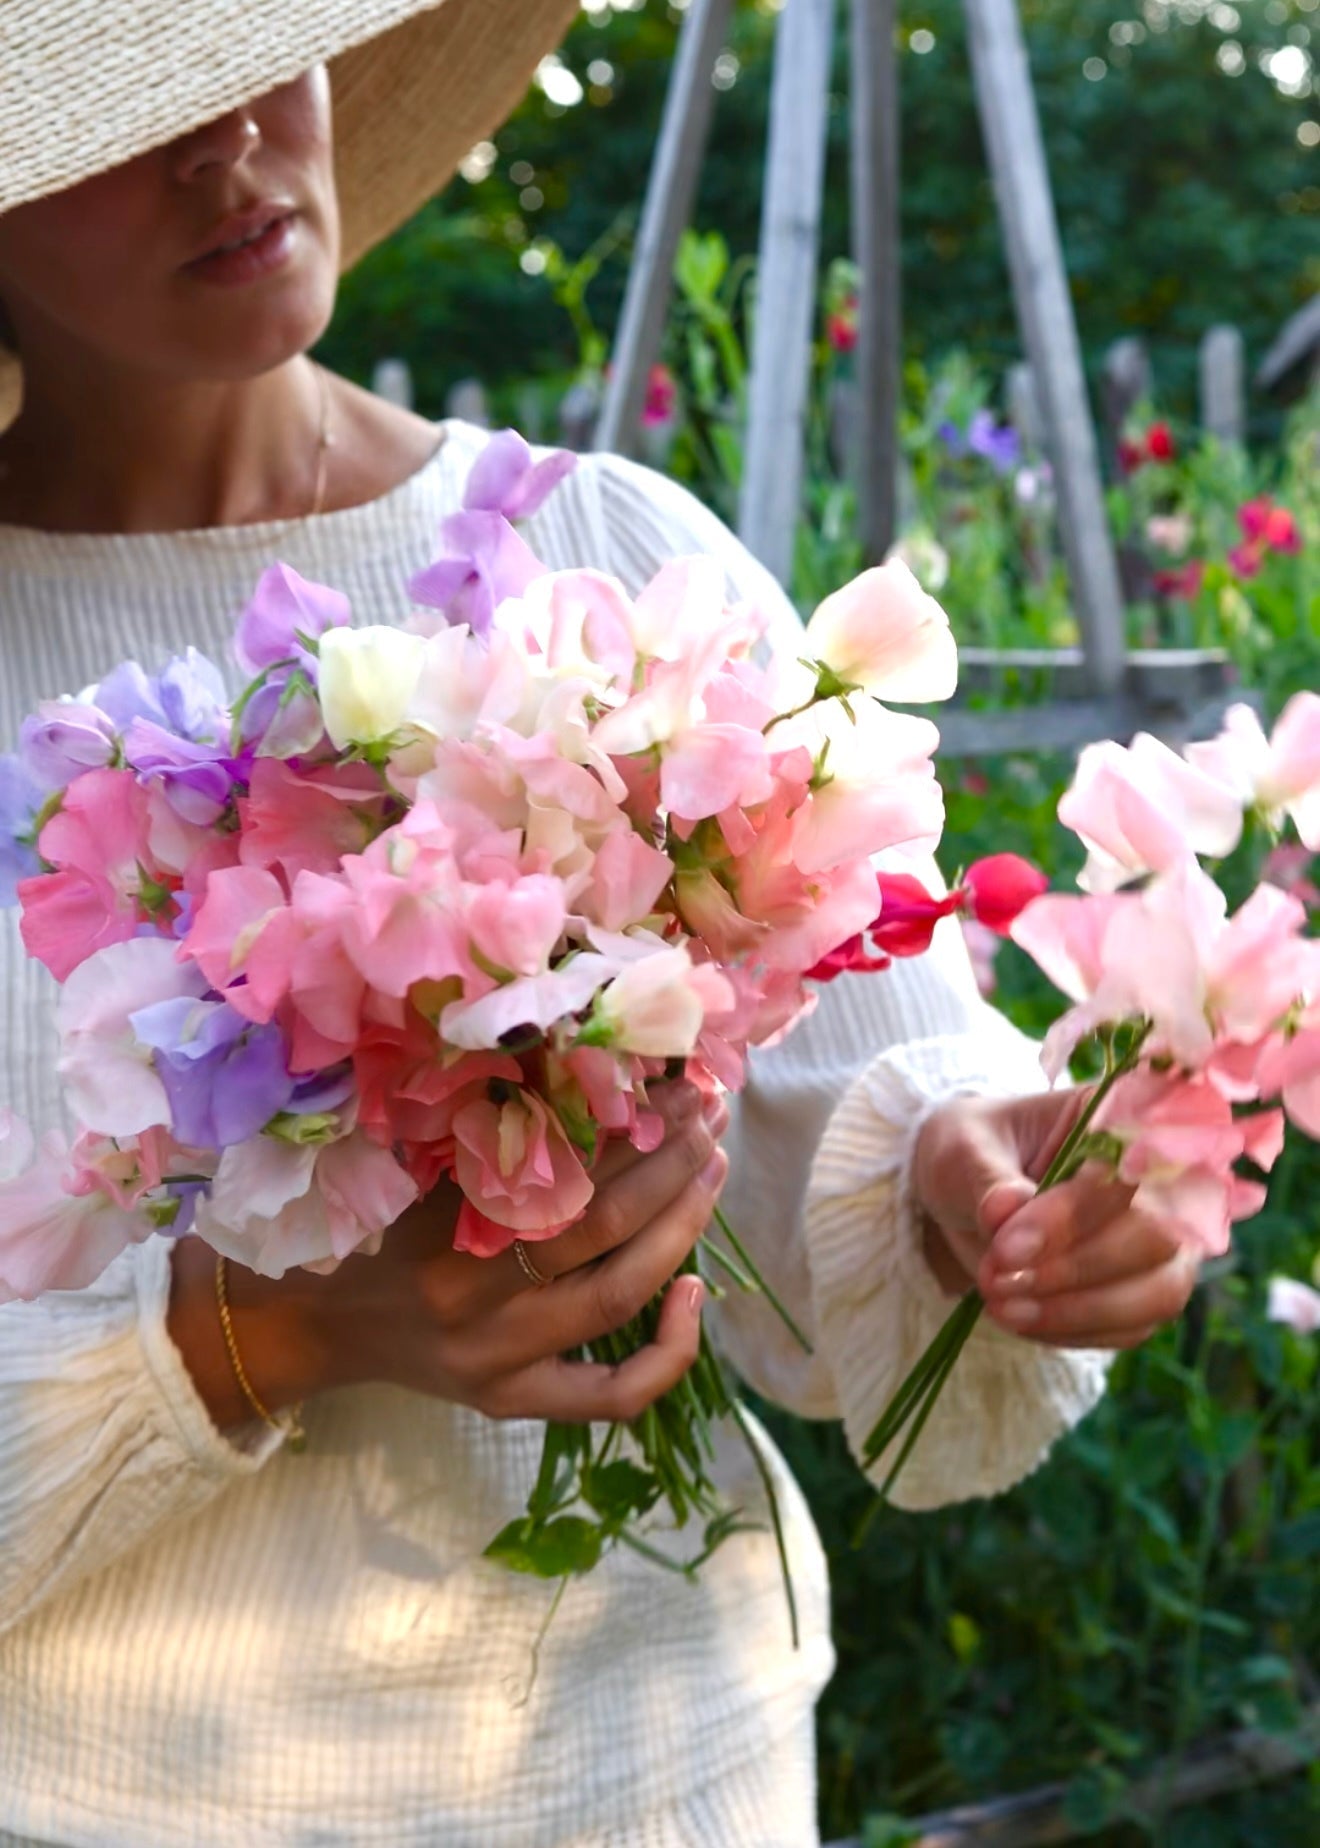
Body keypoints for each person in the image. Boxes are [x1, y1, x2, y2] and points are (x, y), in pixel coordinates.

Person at [0, 5, 1198, 1843]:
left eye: (259, 36)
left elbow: (847, 1140)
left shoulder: (608, 560)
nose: (230, 137)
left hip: (656, 1779)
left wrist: (976, 1195)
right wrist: (255, 1331)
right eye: (111, 116)